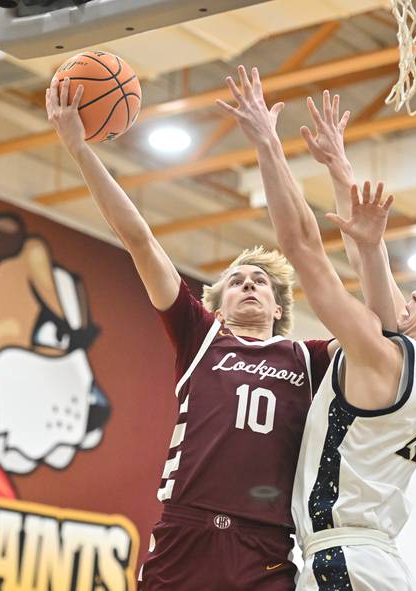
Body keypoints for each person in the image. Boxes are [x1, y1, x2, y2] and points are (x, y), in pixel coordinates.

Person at [218, 66, 416, 590]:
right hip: (370, 562)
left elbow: (302, 248)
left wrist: (268, 144)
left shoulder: (384, 357)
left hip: (345, 562)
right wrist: (339, 169)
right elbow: (368, 260)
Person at [46, 77, 335, 591]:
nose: (249, 284)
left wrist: (287, 153)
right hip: (186, 533)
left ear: (279, 307)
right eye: (236, 282)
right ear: (216, 306)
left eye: (261, 282)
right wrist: (78, 149)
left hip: (264, 547)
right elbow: (139, 238)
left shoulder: (307, 359)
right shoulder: (201, 338)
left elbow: (375, 330)